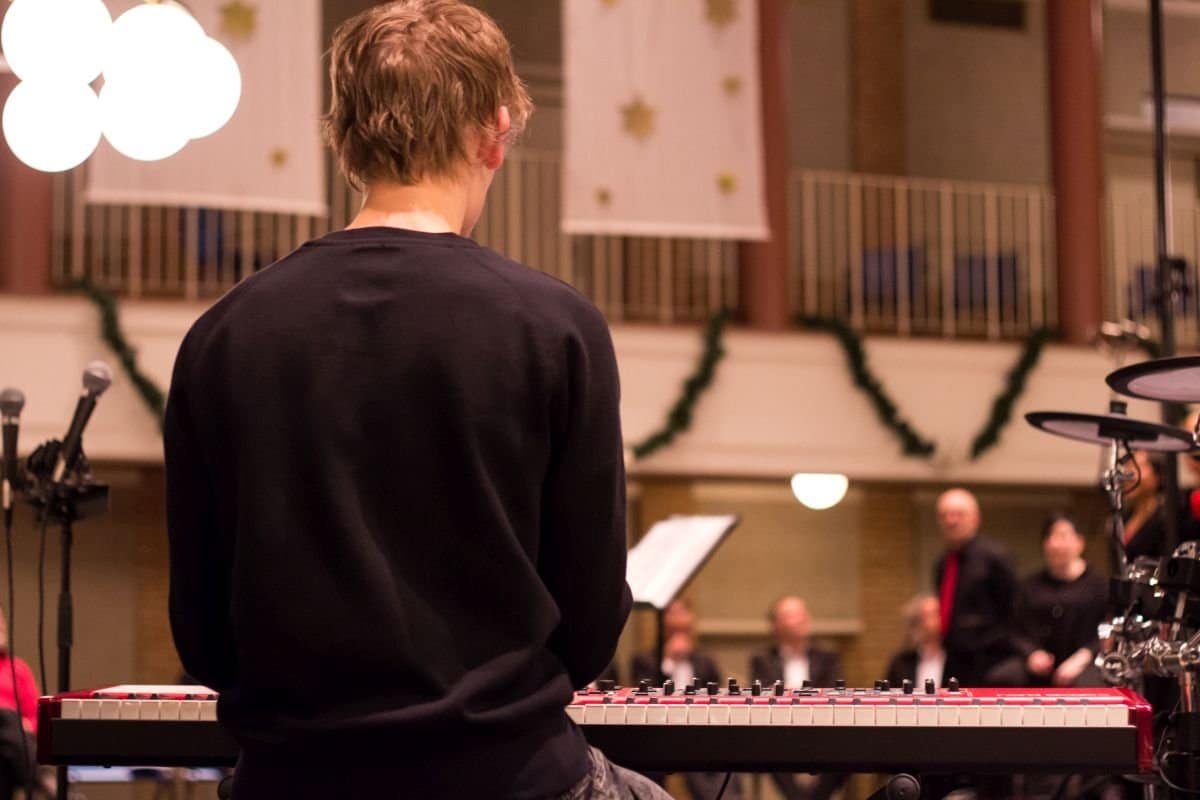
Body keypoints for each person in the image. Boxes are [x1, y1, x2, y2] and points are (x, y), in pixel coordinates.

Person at [164, 3, 669, 798]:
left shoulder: (222, 335)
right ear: (496, 131)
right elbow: (589, 627)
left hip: (294, 779)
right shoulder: (556, 327)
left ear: (344, 137)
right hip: (506, 775)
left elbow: (202, 637)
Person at [987, 513, 1107, 687]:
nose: (1056, 544)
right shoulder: (1029, 586)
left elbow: (1107, 630)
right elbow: (1014, 629)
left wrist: (1083, 657)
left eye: (1063, 537)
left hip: (1084, 663)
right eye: (1051, 537)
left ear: (1080, 543)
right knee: (1002, 678)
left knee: (1089, 685)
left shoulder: (1099, 585)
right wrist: (1031, 654)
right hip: (1040, 666)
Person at [750, 596, 843, 800]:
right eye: (791, 615)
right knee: (766, 746)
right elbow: (762, 695)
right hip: (781, 729)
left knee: (847, 747)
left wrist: (793, 694)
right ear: (775, 625)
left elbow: (834, 693)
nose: (800, 619)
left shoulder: (828, 657)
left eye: (802, 613)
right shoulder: (762, 659)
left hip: (821, 728)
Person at [933, 488, 1017, 687]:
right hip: (954, 657)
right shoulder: (942, 563)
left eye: (958, 514)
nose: (951, 520)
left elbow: (1015, 610)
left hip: (990, 660)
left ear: (975, 518)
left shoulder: (995, 558)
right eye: (945, 515)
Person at [0, 607, 37, 800]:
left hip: (11, 747)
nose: (0, 626)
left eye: (1, 621)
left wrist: (25, 725)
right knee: (5, 717)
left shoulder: (18, 669)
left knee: (8, 724)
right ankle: (44, 780)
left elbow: (35, 716)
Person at [884, 595, 945, 689]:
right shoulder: (901, 663)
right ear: (917, 623)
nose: (941, 618)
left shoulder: (960, 659)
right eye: (932, 615)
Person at [1120, 450, 1168, 563]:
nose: (1128, 475)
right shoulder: (1125, 516)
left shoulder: (1167, 517)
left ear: (1157, 475)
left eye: (1137, 467)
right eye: (1128, 467)